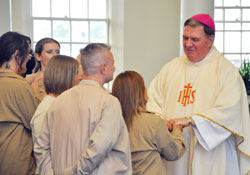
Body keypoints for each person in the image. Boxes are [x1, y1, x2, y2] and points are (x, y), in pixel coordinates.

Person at [147, 14, 250, 175]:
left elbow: (230, 111)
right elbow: (153, 100)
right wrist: (162, 122)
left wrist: (191, 121)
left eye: (194, 39)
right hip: (175, 152)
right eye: (185, 38)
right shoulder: (171, 68)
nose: (188, 44)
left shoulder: (226, 71)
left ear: (210, 40)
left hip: (213, 155)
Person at [35, 43, 132, 175]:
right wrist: (73, 172)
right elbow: (98, 148)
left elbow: (41, 147)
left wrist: (50, 173)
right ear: (103, 68)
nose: (115, 68)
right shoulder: (109, 102)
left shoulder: (59, 101)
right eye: (113, 64)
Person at [112, 70, 186, 175]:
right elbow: (173, 153)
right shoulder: (153, 123)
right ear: (140, 92)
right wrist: (177, 132)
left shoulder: (112, 123)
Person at [31, 55, 81, 174]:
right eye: (77, 73)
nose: (80, 78)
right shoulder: (47, 109)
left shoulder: (58, 104)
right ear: (65, 77)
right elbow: (43, 154)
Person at [0, 31, 38, 174]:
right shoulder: (20, 85)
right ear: (17, 55)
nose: (29, 58)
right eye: (28, 53)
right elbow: (34, 121)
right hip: (15, 157)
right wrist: (34, 91)